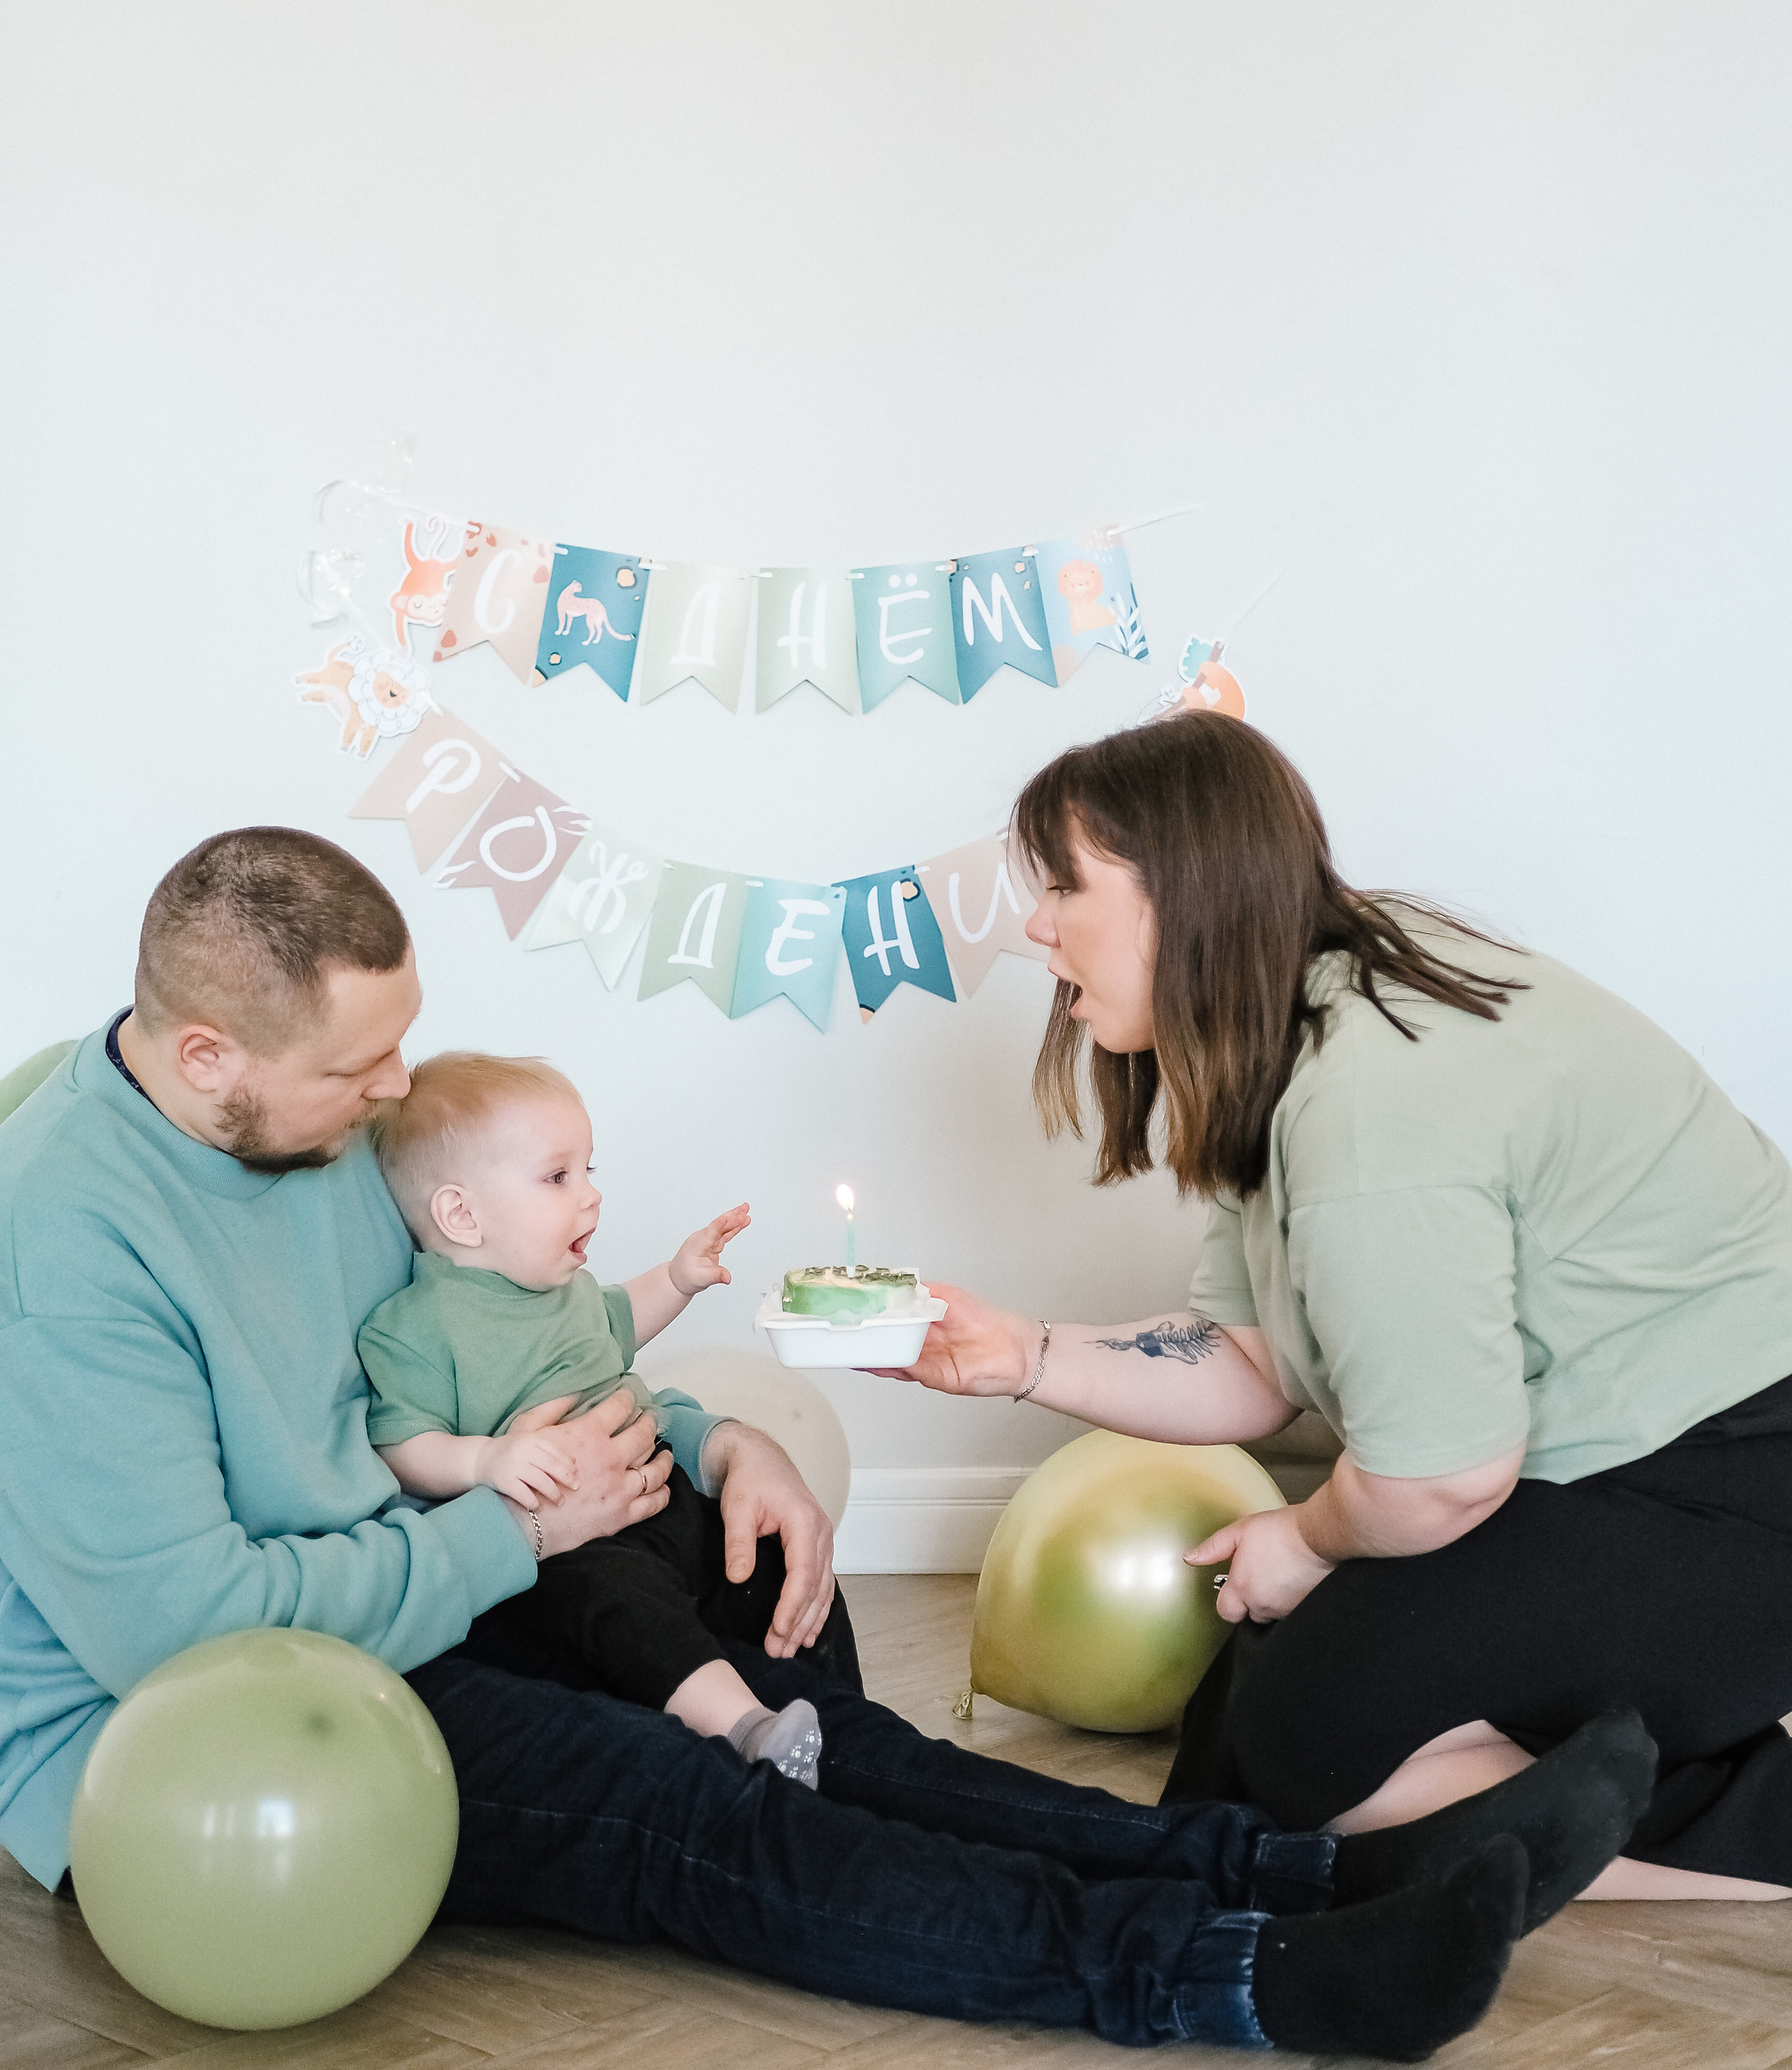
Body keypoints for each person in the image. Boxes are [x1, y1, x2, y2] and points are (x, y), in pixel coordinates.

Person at [0, 825, 1658, 2056]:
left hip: (414, 1578)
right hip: (210, 1720)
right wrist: (516, 1536)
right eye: (357, 1069)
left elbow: (492, 1356)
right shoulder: (68, 1239)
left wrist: (721, 1445)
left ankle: (1293, 1868)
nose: (394, 1091)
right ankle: (1238, 1978)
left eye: (400, 1045)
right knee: (692, 1798)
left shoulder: (314, 1132)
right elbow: (184, 1624)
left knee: (787, 1702)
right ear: (204, 1054)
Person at [890, 714, 1792, 1902]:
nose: (1036, 925)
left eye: (1066, 886)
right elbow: (1256, 1364)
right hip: (1611, 1465)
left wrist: (1308, 1538)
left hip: (1727, 1483)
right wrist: (1022, 1354)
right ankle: (1597, 1755)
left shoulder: (1372, 1102)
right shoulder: (1299, 1015)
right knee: (1249, 1722)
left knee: (1299, 1753)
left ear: (1181, 893)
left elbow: (1440, 1479)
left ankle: (1758, 1825)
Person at [360, 1048, 825, 1784]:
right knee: (611, 1599)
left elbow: (622, 1319)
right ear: (461, 1213)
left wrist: (678, 1278)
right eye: (557, 1176)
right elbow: (400, 1442)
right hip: (575, 1540)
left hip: (661, 1492)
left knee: (770, 1547)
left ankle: (833, 1718)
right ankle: (744, 1727)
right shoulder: (418, 1324)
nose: (591, 1196)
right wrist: (484, 1461)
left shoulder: (567, 1288)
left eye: (588, 1170)